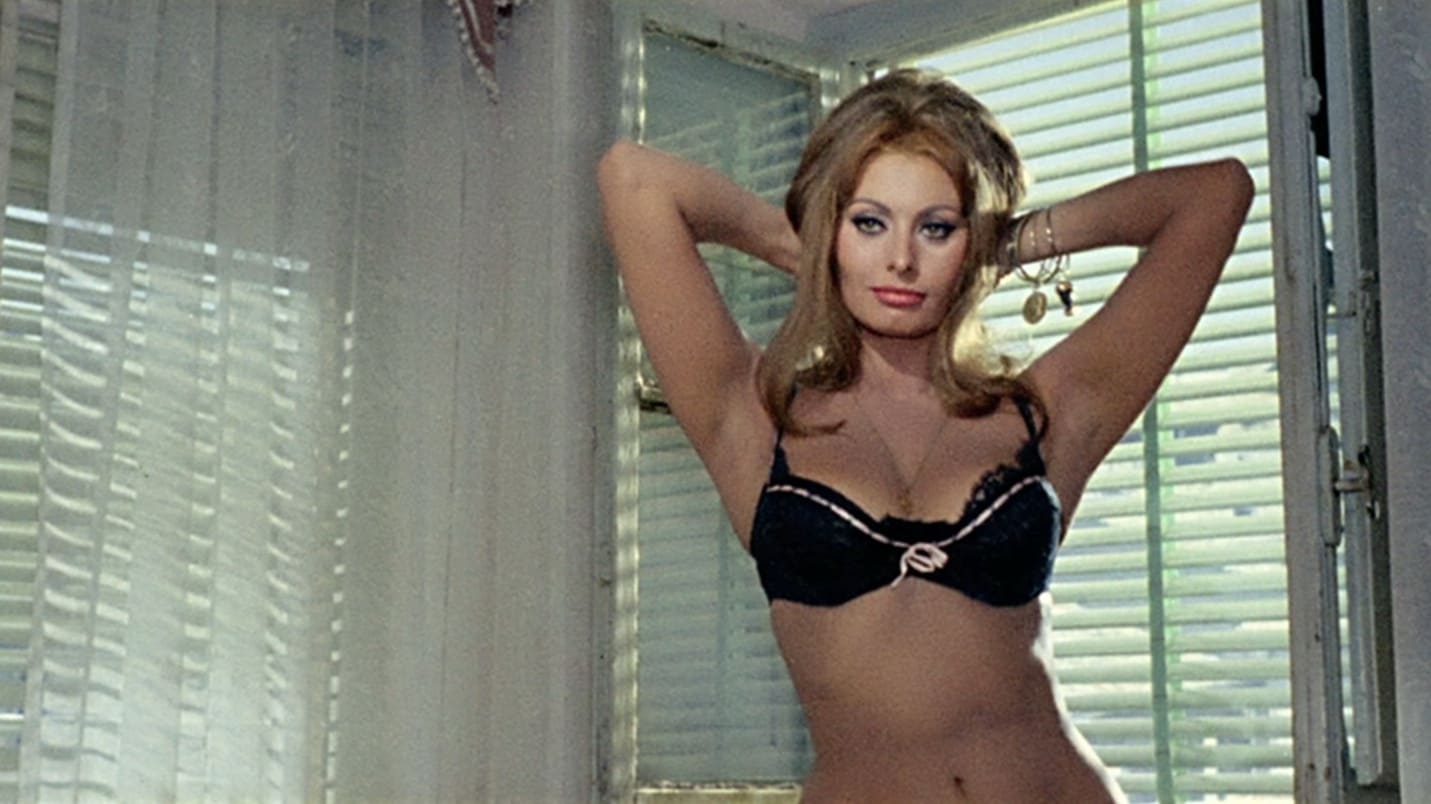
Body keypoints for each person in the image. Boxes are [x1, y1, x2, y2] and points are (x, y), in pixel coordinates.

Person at [598, 69, 1253, 803]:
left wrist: (1003, 244)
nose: (902, 261)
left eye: (936, 228)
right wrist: (812, 248)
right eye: (869, 223)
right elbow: (633, 180)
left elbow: (1215, 194)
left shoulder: (1045, 415)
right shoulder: (754, 421)